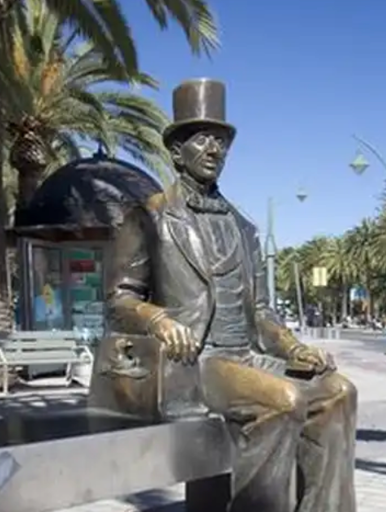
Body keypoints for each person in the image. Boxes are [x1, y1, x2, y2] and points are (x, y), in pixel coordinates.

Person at [107, 78, 357, 512]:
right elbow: (119, 301)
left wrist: (294, 347)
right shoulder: (148, 218)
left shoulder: (243, 228)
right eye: (202, 139)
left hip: (246, 358)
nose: (214, 150)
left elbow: (260, 311)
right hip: (193, 363)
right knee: (284, 401)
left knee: (339, 392)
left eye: (221, 141)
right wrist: (159, 321)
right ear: (176, 150)